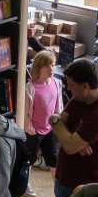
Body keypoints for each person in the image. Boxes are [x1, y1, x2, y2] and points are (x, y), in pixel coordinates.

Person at [49, 59, 98, 197]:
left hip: (88, 184)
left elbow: (69, 146)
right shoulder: (79, 98)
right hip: (66, 177)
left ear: (86, 86)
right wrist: (58, 124)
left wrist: (59, 126)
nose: (68, 89)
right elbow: (58, 120)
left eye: (72, 85)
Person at [24, 49, 63, 189]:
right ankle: (25, 185)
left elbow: (58, 107)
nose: (51, 68)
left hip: (50, 129)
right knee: (29, 159)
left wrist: (58, 124)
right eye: (47, 65)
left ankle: (58, 186)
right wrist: (29, 128)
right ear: (39, 67)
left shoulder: (57, 83)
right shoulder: (30, 88)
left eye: (53, 65)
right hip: (34, 131)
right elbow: (26, 112)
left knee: (53, 158)